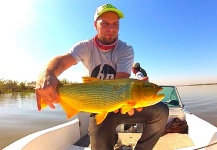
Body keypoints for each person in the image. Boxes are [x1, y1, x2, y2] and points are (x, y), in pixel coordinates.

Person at [35, 3, 169, 150]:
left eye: (115, 24)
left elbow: (120, 84)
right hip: (97, 107)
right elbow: (62, 61)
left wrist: (131, 100)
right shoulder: (84, 46)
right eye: (105, 23)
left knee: (161, 111)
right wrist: (46, 73)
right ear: (95, 25)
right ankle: (113, 138)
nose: (111, 28)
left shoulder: (125, 49)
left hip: (117, 103)